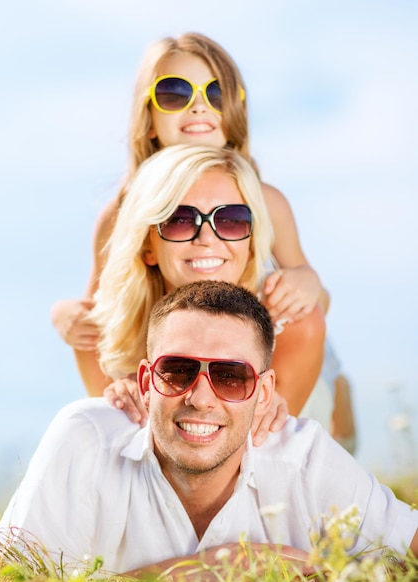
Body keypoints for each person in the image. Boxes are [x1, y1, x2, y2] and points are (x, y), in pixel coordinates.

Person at [0, 281, 418, 582]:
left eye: (230, 377)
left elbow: (409, 551)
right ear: (145, 381)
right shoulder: (85, 438)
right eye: (176, 371)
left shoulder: (303, 458)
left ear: (264, 392)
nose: (200, 398)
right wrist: (201, 571)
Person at [50, 33, 330, 418]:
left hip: (267, 343)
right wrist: (63, 315)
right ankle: (126, 431)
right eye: (174, 93)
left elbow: (314, 303)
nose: (199, 107)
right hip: (168, 352)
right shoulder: (121, 213)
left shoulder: (264, 200)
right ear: (147, 117)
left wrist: (307, 279)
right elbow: (101, 311)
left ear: (234, 113)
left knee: (314, 383)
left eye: (216, 94)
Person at [89, 144, 324, 438]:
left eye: (231, 220)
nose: (206, 238)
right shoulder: (101, 329)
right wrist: (119, 405)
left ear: (251, 244)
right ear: (147, 246)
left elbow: (250, 460)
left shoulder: (297, 326)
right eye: (179, 220)